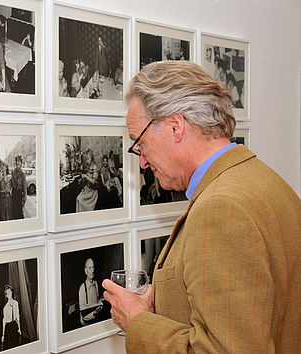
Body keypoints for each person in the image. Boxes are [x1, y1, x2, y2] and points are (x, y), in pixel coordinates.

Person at [102, 61, 301, 353]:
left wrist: (138, 323)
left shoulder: (221, 208)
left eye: (139, 144)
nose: (142, 161)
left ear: (175, 126)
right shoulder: (267, 180)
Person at [78, 258, 103, 326]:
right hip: (87, 324)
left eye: (93, 267)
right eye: (89, 268)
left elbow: (96, 303)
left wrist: (101, 301)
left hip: (97, 321)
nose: (92, 271)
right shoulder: (82, 288)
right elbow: (83, 315)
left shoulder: (96, 284)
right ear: (86, 271)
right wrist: (94, 313)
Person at [1, 285, 21, 350]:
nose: (10, 293)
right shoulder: (5, 308)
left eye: (10, 291)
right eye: (8, 293)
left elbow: (18, 317)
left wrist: (19, 328)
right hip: (8, 328)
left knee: (16, 345)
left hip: (15, 325)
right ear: (6, 295)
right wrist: (3, 335)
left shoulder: (16, 303)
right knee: (10, 347)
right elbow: (4, 322)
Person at [10, 154, 26, 219]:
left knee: (19, 212)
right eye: (16, 161)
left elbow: (24, 186)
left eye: (19, 161)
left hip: (20, 194)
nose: (17, 162)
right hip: (14, 193)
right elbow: (11, 183)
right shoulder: (13, 172)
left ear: (21, 163)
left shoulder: (23, 173)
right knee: (14, 211)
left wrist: (24, 197)